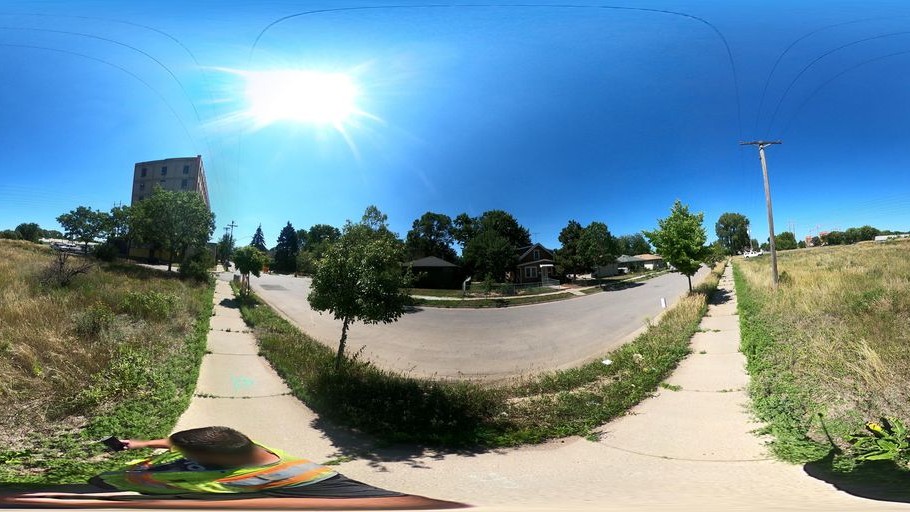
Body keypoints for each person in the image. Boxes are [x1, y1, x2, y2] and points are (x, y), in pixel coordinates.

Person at [0, 426, 464, 509]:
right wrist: (140, 442)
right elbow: (187, 441)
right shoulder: (245, 445)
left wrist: (139, 480)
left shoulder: (228, 487)